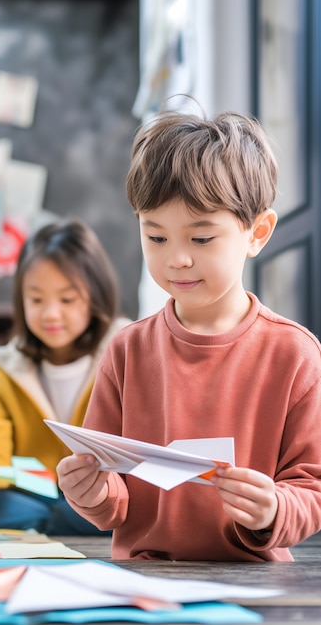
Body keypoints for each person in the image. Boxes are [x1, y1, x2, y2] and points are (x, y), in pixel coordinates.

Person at [56, 109, 321, 561]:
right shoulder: (125, 350)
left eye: (201, 239)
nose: (176, 259)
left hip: (255, 581)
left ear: (257, 233)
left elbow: (311, 488)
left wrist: (274, 509)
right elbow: (112, 493)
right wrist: (91, 492)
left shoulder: (293, 353)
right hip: (144, 580)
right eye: (155, 237)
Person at [0, 219, 131, 535]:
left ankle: (52, 523)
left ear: (95, 297)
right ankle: (63, 522)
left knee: (126, 505)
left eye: (67, 299)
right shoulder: (7, 370)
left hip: (103, 495)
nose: (50, 314)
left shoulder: (126, 355)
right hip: (36, 492)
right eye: (36, 299)